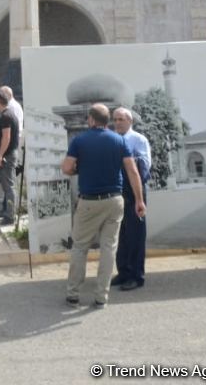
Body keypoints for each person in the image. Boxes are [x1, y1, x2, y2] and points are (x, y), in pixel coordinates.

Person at [61, 103, 146, 308]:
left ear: (90, 120)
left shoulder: (79, 141)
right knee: (109, 248)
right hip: (115, 200)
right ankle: (101, 296)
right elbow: (133, 172)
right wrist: (139, 200)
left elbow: (66, 168)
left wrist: (77, 170)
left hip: (89, 201)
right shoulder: (120, 141)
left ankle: (73, 293)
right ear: (107, 121)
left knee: (80, 247)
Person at [112, 106, 152, 291]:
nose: (118, 123)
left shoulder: (138, 139)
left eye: (121, 119)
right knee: (121, 234)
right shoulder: (113, 139)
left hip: (133, 189)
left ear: (130, 121)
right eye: (115, 119)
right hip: (116, 191)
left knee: (135, 235)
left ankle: (137, 276)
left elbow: (144, 166)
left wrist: (136, 192)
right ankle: (124, 272)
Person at [0, 91, 20, 226]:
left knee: (8, 187)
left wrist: (0, 155)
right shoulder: (9, 114)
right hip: (8, 154)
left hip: (7, 155)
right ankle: (7, 212)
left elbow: (6, 137)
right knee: (7, 185)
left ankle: (10, 216)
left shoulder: (6, 116)